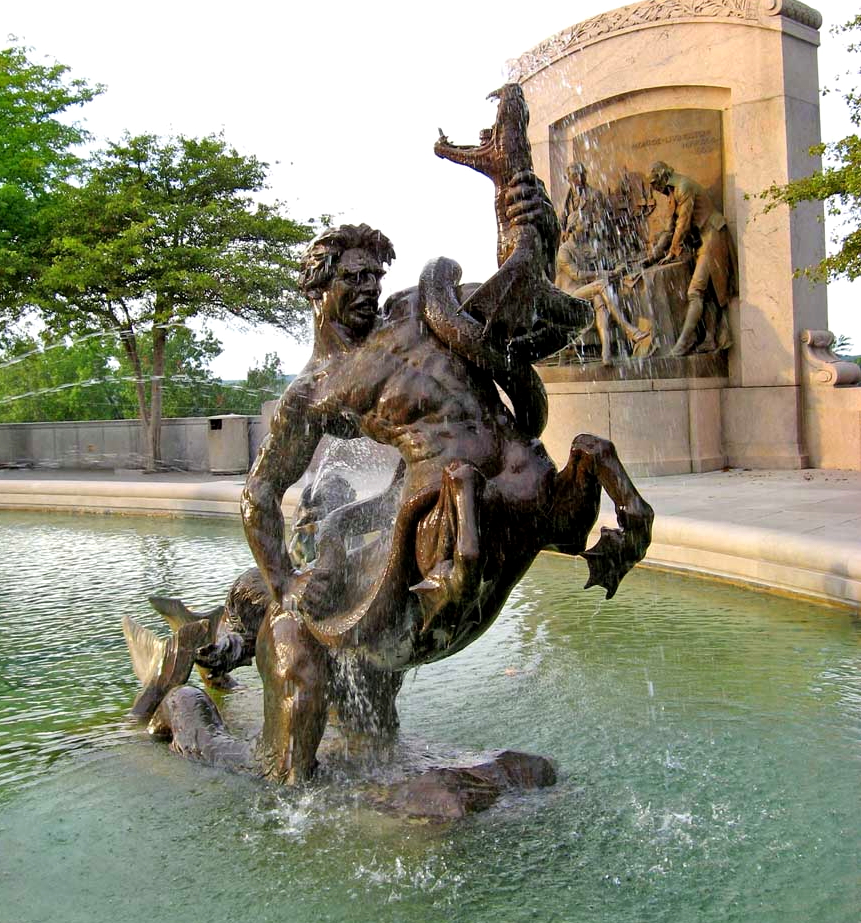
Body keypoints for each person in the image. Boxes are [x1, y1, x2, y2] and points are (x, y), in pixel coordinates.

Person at [238, 200, 652, 783]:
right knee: (457, 486)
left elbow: (517, 299)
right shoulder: (313, 393)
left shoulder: (418, 306)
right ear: (319, 288)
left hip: (525, 472)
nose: (369, 287)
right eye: (353, 277)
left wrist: (527, 223)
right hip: (448, 501)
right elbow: (259, 491)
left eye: (374, 275)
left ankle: (631, 527)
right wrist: (283, 583)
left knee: (592, 451)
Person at [644, 161, 736, 356]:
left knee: (695, 291)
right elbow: (670, 229)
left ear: (662, 177)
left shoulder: (683, 187)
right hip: (702, 241)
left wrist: (672, 252)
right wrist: (653, 256)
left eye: (655, 184)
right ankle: (710, 338)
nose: (655, 189)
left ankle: (683, 343)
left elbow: (683, 225)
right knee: (708, 292)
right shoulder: (672, 194)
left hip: (712, 236)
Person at [556, 214, 652, 365]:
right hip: (569, 296)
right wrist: (605, 273)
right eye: (583, 223)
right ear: (573, 228)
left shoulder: (586, 246)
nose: (588, 225)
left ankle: (606, 354)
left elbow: (608, 260)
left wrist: (619, 266)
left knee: (600, 302)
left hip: (586, 292)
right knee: (601, 284)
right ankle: (629, 329)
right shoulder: (564, 250)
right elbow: (577, 275)